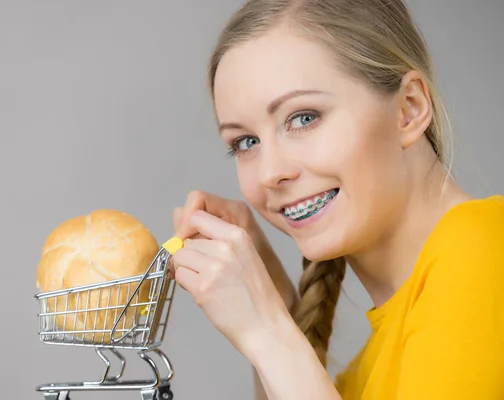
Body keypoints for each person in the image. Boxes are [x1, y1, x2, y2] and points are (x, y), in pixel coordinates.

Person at [168, 0, 504, 399]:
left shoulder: (485, 252)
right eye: (246, 142)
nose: (270, 172)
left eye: (304, 117)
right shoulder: (363, 375)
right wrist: (277, 304)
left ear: (409, 110)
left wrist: (269, 333)